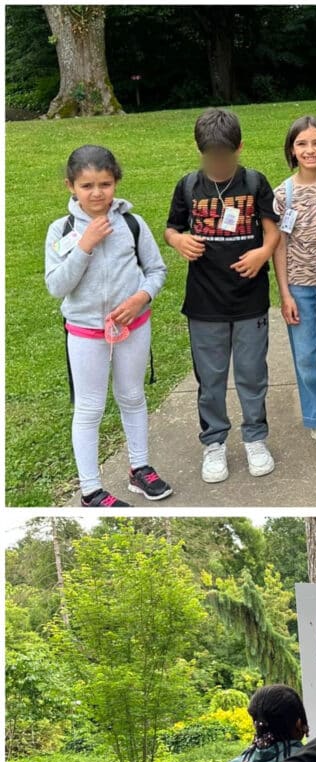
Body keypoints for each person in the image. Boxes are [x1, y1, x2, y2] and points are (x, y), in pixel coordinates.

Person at [45, 145, 170, 507]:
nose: (97, 193)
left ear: (116, 182)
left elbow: (157, 270)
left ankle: (139, 468)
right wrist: (83, 247)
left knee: (132, 396)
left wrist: (140, 298)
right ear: (71, 186)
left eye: (104, 183)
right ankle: (90, 490)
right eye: (87, 186)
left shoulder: (132, 223)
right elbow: (56, 286)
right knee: (90, 408)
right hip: (86, 332)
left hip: (132, 326)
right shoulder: (61, 230)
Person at [165, 108, 280, 485]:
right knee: (210, 378)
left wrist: (263, 253)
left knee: (252, 374)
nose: (217, 164)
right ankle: (214, 442)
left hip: (249, 300)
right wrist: (179, 240)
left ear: (239, 148)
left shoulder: (254, 182)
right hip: (204, 302)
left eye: (224, 157)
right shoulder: (188, 186)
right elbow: (171, 229)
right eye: (210, 157)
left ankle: (255, 437)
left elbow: (272, 231)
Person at [271, 116, 316, 449]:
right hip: (300, 286)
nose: (310, 150)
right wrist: (285, 294)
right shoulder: (283, 194)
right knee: (308, 357)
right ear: (291, 150)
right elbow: (278, 244)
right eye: (302, 144)